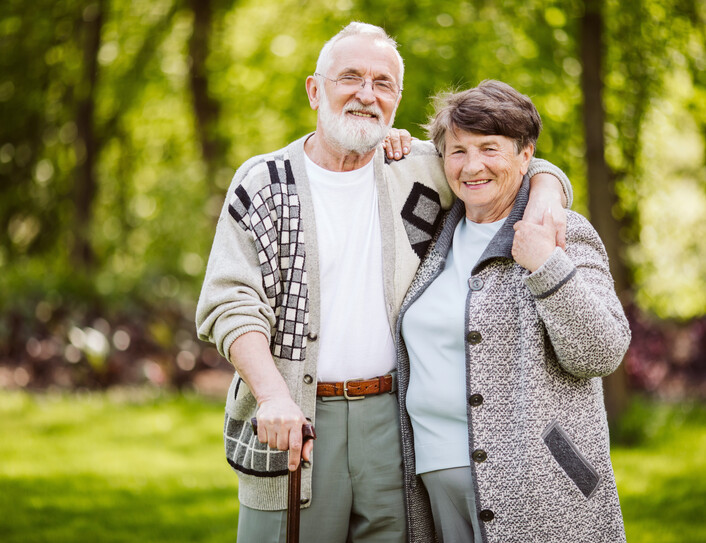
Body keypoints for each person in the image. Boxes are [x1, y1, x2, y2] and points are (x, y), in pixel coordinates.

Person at [196, 23, 573, 542]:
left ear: (396, 100)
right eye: (350, 77)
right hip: (293, 422)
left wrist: (551, 193)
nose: (366, 94)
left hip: (392, 423)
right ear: (314, 89)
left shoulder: (419, 169)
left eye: (383, 83)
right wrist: (272, 397)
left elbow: (514, 163)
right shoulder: (263, 181)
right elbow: (229, 302)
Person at [397, 80, 630, 543]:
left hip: (536, 485)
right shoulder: (433, 231)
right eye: (458, 151)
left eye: (490, 148)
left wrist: (547, 265)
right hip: (434, 479)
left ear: (526, 156)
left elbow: (602, 351)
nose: (472, 165)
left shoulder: (560, 231)